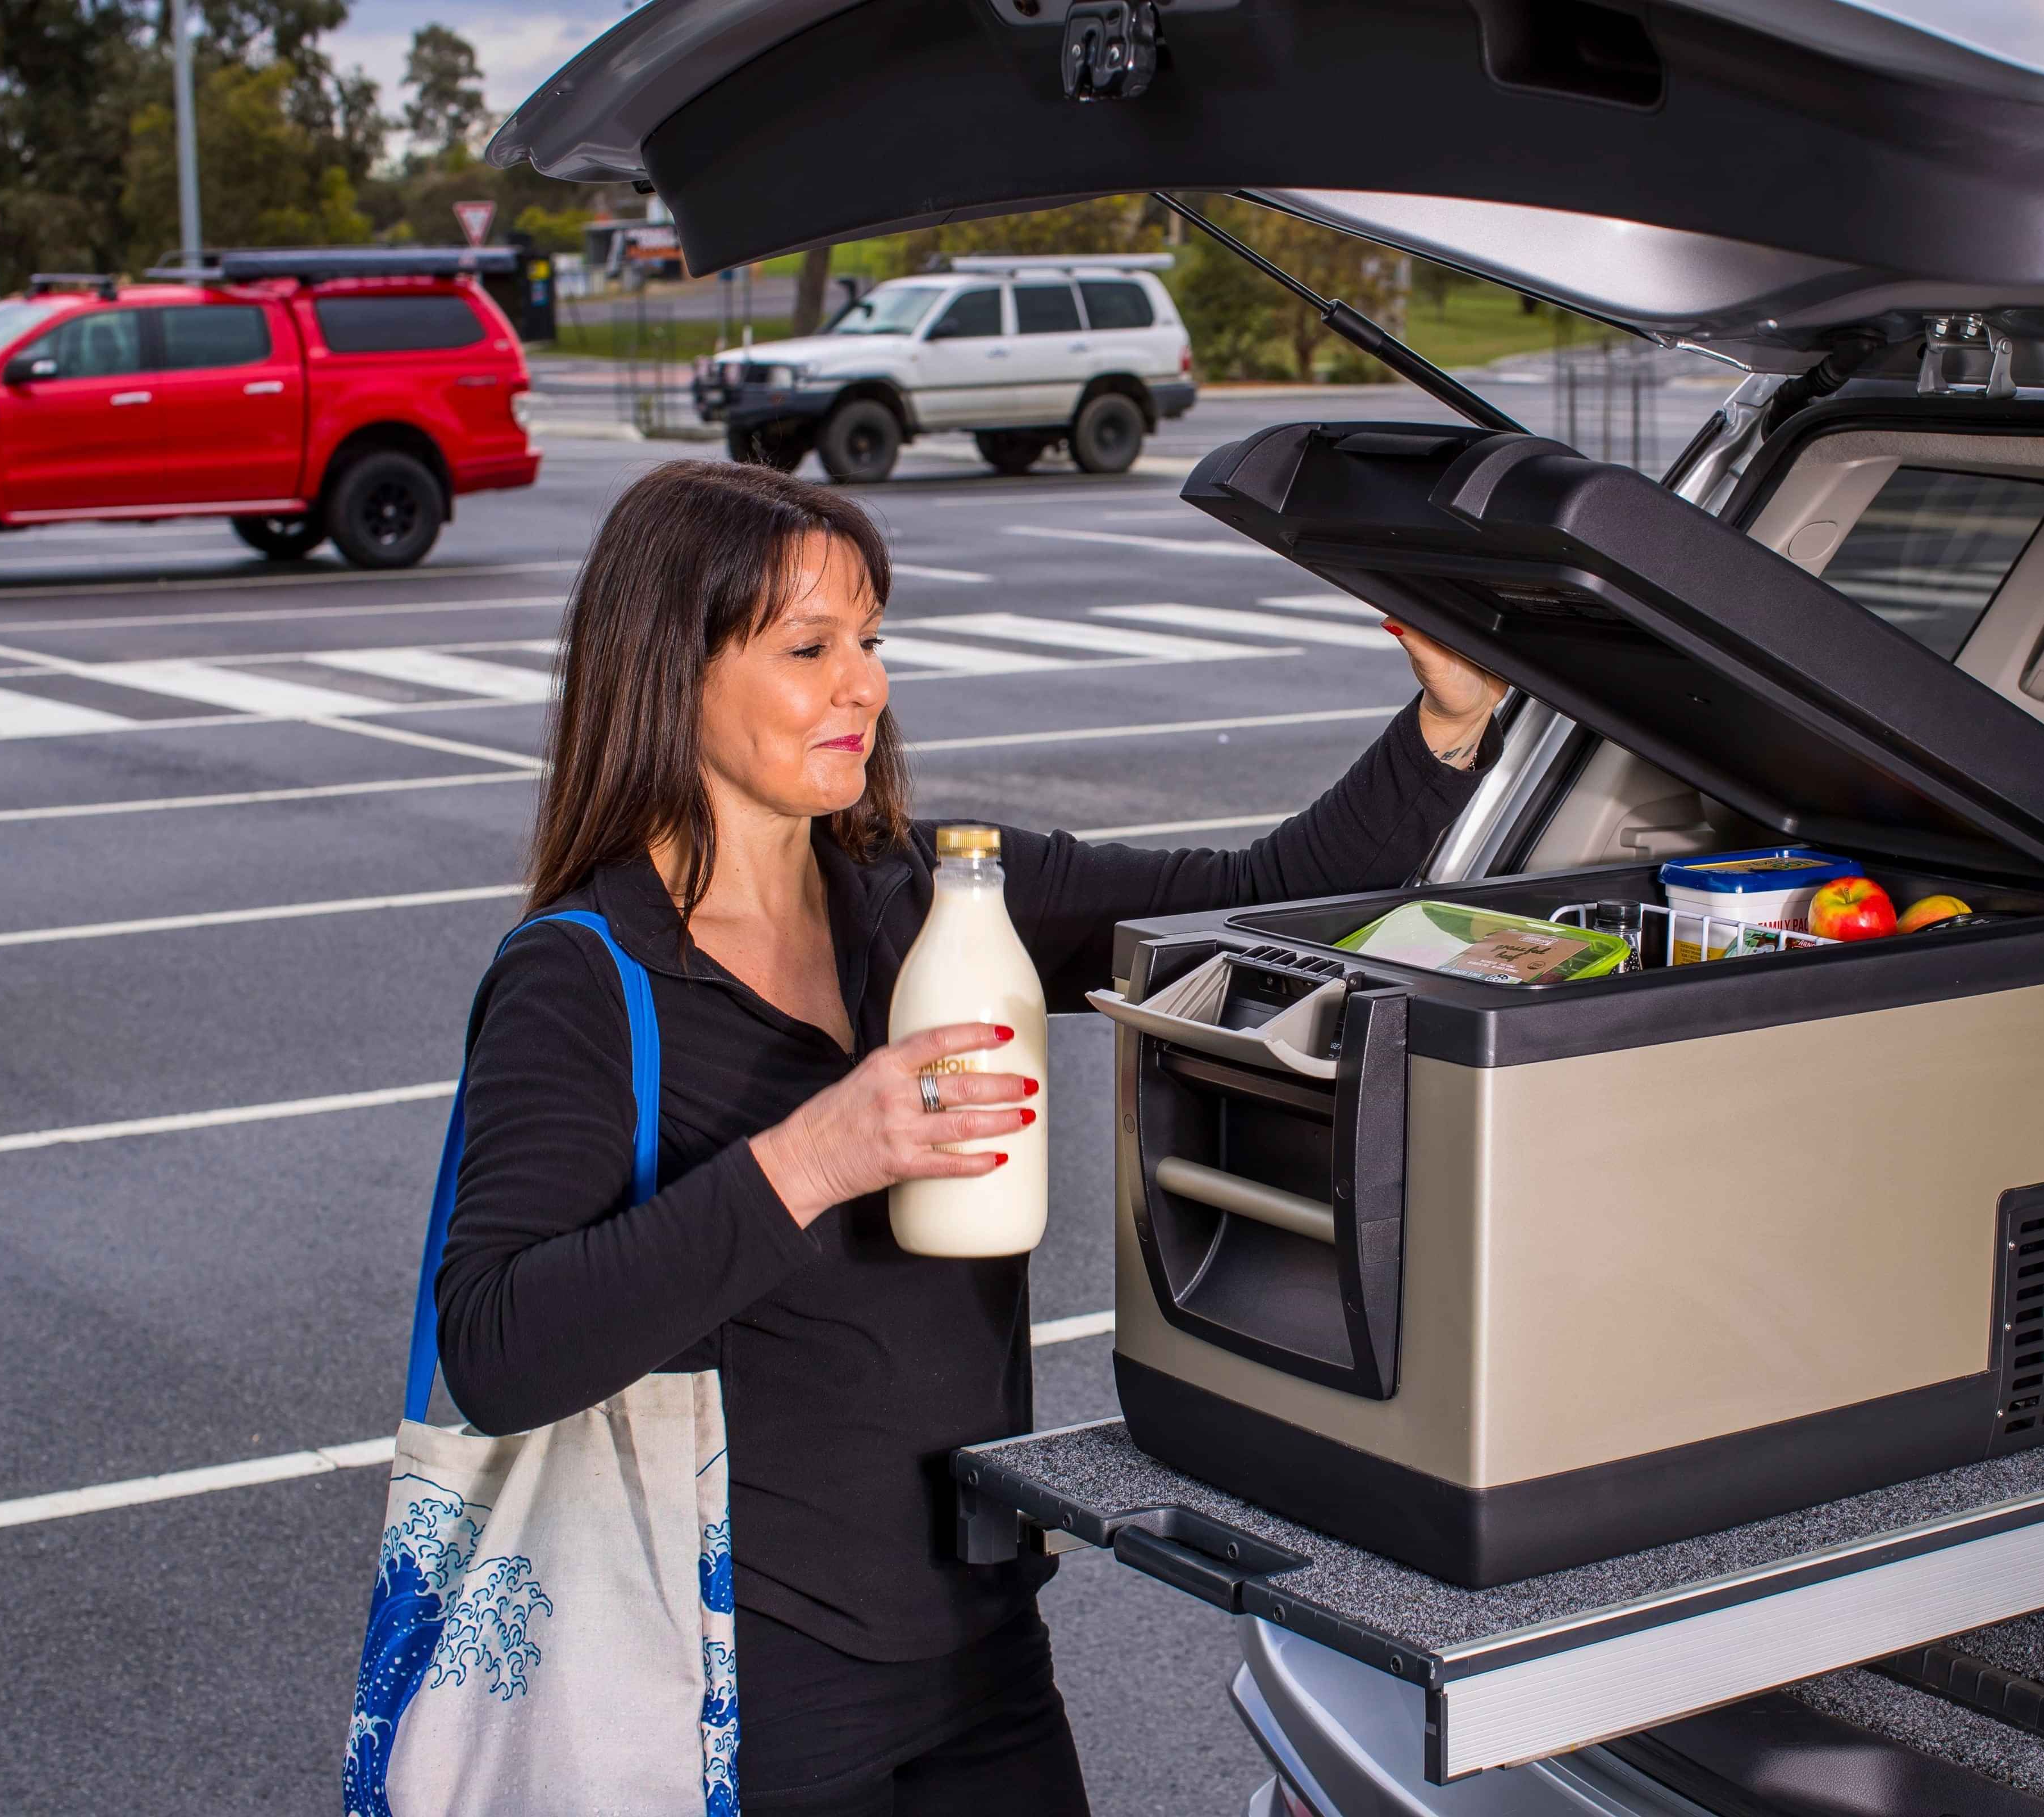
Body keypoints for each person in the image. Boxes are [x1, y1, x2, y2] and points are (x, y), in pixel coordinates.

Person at [434, 459, 1509, 1815]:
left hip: (982, 1644)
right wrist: (817, 1155)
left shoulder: (934, 893)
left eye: (871, 640)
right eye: (810, 648)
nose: (865, 685)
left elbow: (1255, 899)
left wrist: (1448, 720)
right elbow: (498, 1348)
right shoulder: (583, 977)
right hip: (738, 1686)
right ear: (670, 670)